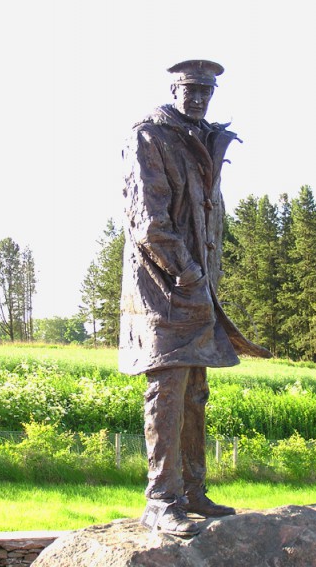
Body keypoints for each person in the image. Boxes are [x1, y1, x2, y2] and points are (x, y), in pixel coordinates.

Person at [119, 60, 271, 537]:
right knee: (167, 392)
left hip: (199, 288)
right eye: (191, 88)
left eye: (208, 90)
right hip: (165, 290)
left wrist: (205, 278)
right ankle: (162, 499)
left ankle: (192, 489)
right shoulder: (151, 136)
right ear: (174, 88)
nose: (200, 97)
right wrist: (185, 271)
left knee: (196, 393)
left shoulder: (205, 138)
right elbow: (147, 218)